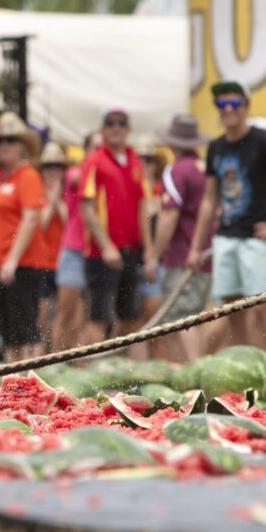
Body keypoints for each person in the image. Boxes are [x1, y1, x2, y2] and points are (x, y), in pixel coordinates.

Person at [187, 80, 266, 358]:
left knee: (264, 308)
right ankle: (249, 370)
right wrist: (196, 246)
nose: (227, 109)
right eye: (221, 104)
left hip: (258, 239)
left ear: (246, 106)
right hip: (226, 238)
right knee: (233, 311)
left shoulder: (264, 139)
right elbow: (209, 199)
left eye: (233, 103)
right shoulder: (216, 147)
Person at [80, 107, 152, 346]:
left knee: (130, 317)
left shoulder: (135, 162)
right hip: (102, 253)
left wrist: (149, 249)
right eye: (110, 123)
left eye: (121, 123)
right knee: (99, 317)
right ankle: (90, 377)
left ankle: (119, 372)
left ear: (128, 129)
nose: (116, 128)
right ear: (102, 130)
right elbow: (87, 208)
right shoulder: (94, 161)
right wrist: (107, 245)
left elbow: (143, 207)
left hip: (130, 251)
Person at [0, 112, 47, 361]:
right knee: (9, 330)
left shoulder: (27, 175)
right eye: (0, 141)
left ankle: (30, 380)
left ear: (21, 144)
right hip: (2, 263)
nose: (5, 146)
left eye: (10, 140)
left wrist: (12, 259)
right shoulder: (1, 179)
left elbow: (31, 218)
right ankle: (14, 382)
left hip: (23, 262)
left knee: (26, 329)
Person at [150, 114, 212, 362]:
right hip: (206, 256)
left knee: (182, 318)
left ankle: (194, 375)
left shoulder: (176, 171)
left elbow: (168, 216)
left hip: (182, 255)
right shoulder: (205, 168)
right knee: (193, 316)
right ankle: (190, 374)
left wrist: (154, 255)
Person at [51, 131, 99, 352]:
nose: (99, 153)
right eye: (95, 148)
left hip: (95, 253)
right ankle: (54, 361)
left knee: (87, 316)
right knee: (65, 312)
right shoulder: (75, 173)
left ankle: (79, 364)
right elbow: (74, 178)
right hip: (74, 249)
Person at [132, 134, 167, 359]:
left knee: (155, 321)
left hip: (155, 261)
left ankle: (156, 366)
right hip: (130, 259)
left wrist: (151, 255)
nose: (144, 164)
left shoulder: (161, 191)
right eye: (140, 159)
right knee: (132, 322)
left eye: (148, 160)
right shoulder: (131, 188)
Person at [36, 142, 69, 352]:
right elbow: (40, 224)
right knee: (42, 318)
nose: (53, 171)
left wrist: (58, 199)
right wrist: (52, 199)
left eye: (57, 166)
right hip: (43, 263)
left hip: (63, 262)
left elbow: (70, 224)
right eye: (48, 166)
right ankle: (42, 356)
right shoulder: (37, 192)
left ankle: (58, 355)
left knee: (66, 316)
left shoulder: (69, 194)